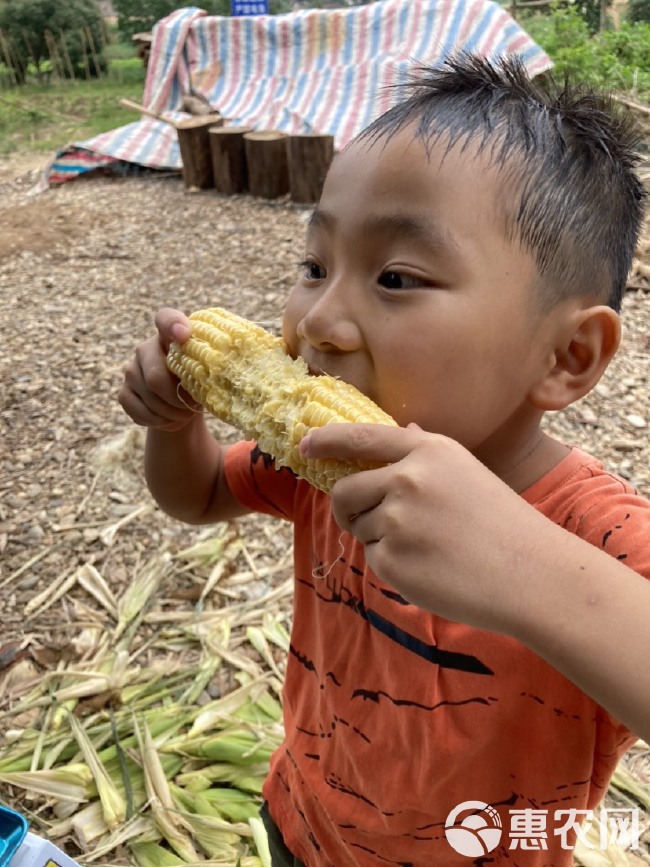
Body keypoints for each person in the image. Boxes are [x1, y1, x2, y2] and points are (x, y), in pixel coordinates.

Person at [118, 54, 649, 866]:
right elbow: (195, 495)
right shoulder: (315, 464)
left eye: (396, 276)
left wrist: (526, 566)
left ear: (568, 354)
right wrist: (173, 422)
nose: (319, 320)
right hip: (300, 822)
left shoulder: (599, 538)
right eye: (314, 267)